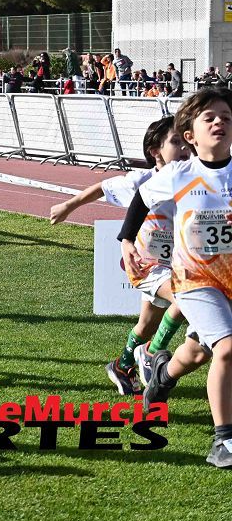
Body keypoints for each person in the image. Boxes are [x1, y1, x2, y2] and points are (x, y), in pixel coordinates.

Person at [119, 87, 232, 467]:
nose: (219, 122)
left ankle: (161, 378)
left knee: (199, 352)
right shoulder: (180, 173)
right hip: (196, 278)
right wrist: (125, 242)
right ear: (191, 136)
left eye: (226, 117)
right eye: (209, 118)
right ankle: (224, 441)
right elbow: (140, 200)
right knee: (228, 350)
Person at [51, 116, 191, 394]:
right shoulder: (142, 180)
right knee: (188, 296)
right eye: (176, 142)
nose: (184, 148)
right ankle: (151, 352)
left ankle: (122, 365)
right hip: (145, 266)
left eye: (186, 142)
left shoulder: (190, 179)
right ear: (155, 151)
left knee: (145, 326)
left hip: (176, 264)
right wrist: (68, 206)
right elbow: (102, 187)